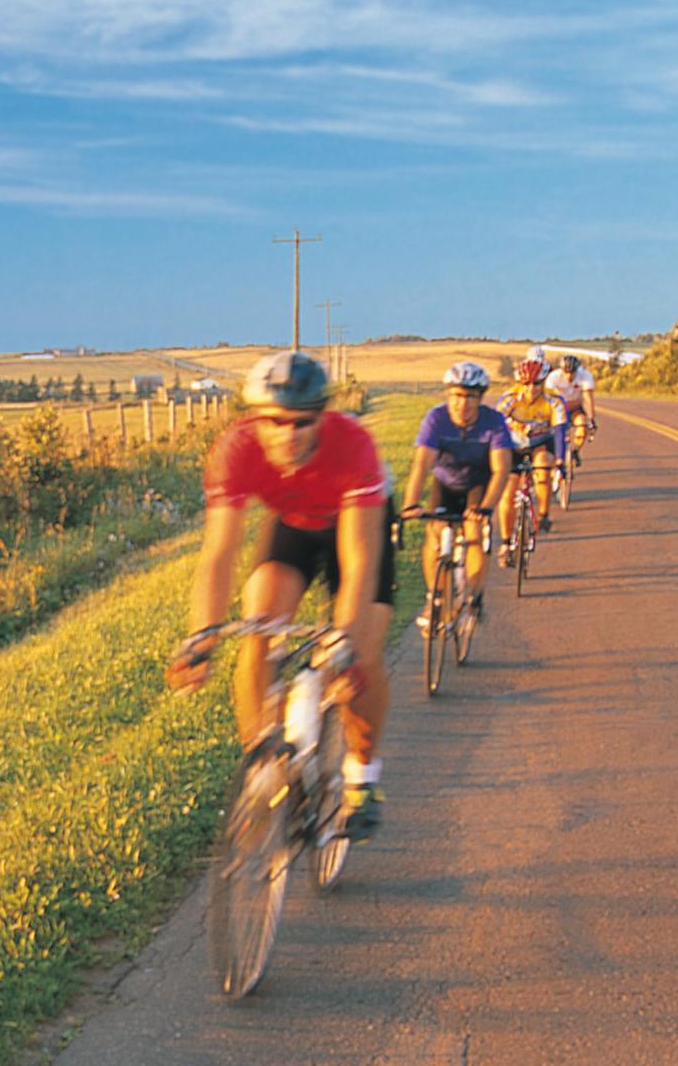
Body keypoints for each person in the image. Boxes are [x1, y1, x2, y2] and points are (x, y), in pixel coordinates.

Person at [167, 348, 394, 834]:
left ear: (322, 417)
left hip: (354, 530)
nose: (287, 435)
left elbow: (358, 562)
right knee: (258, 627)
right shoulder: (235, 449)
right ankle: (264, 765)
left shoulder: (353, 446)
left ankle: (362, 774)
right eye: (275, 422)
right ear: (255, 417)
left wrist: (345, 643)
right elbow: (219, 554)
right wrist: (201, 637)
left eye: (302, 423)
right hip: (292, 524)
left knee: (362, 658)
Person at [398, 361, 513, 627]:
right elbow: (422, 466)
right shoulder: (436, 419)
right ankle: (435, 598)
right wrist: (410, 504)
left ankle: (474, 595)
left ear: (480, 398)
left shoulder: (493, 422)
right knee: (435, 532)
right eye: (457, 396)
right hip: (446, 483)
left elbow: (501, 469)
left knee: (473, 531)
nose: (463, 404)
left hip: (478, 484)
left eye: (471, 396)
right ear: (448, 395)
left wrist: (485, 509)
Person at [497, 352, 566, 535]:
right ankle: (505, 542)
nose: (531, 389)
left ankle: (544, 515)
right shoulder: (510, 398)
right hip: (514, 444)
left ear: (543, 382)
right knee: (508, 493)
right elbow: (495, 426)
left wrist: (560, 462)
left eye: (536, 384)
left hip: (541, 443)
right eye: (526, 384)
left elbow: (559, 431)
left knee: (543, 467)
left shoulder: (554, 400)